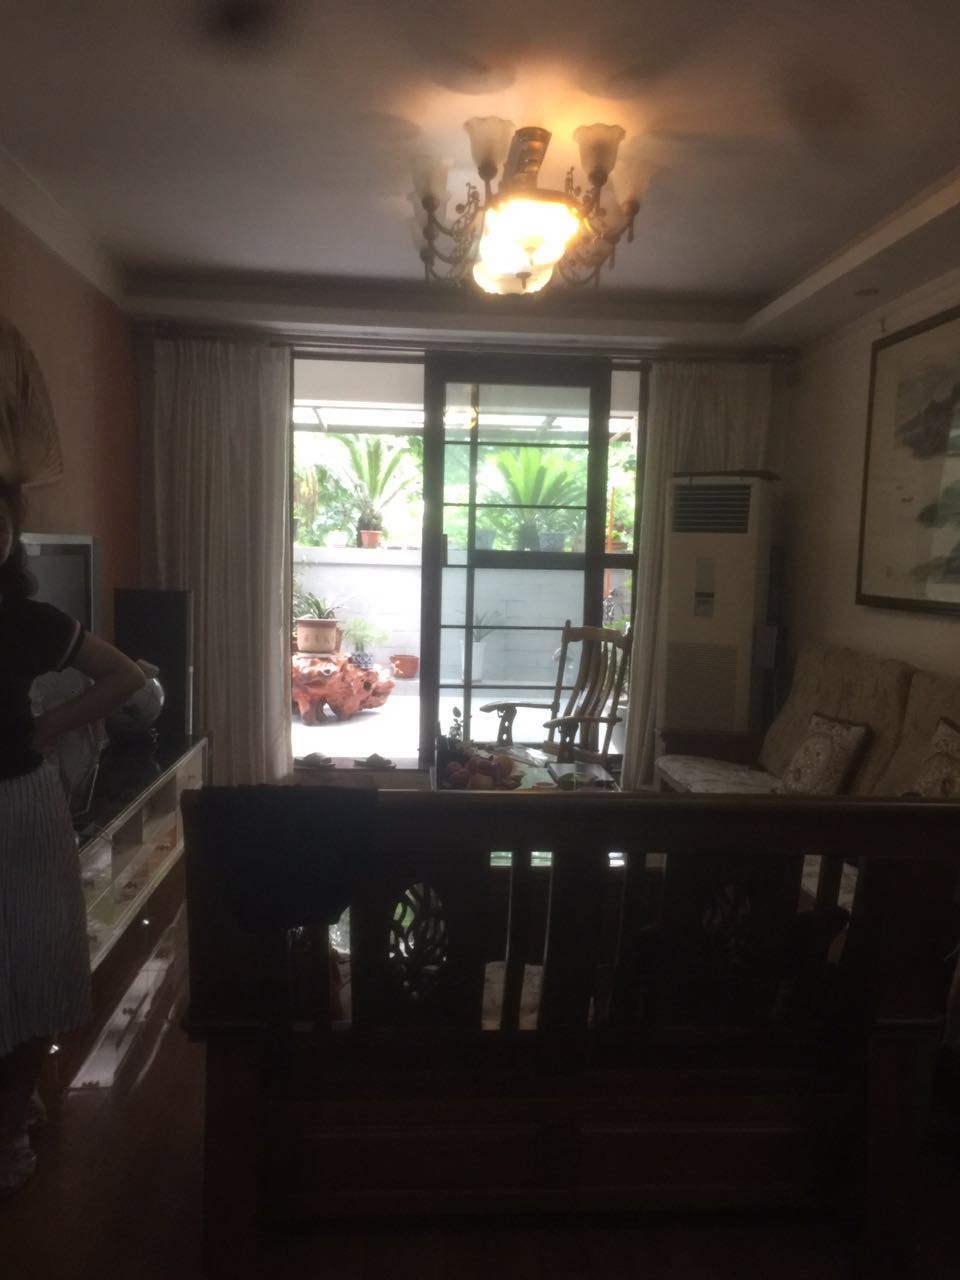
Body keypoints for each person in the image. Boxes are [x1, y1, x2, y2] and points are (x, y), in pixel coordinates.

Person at [0, 478, 145, 1192]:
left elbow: (124, 676)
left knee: (36, 966)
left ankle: (6, 1131)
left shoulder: (28, 620)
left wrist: (49, 725)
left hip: (20, 806)